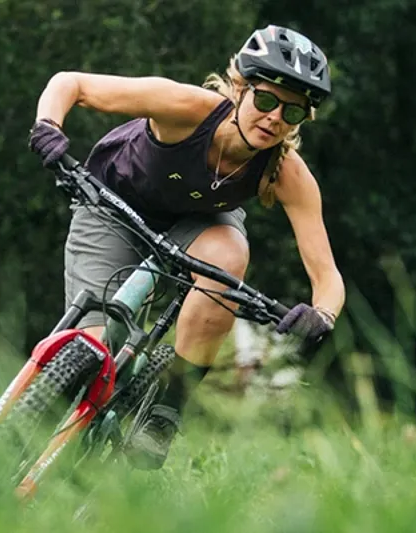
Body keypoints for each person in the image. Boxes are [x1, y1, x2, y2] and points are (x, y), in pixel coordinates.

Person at [28, 25, 345, 469]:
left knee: (231, 254)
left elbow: (327, 276)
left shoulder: (285, 172)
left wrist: (321, 315)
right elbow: (71, 84)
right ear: (240, 88)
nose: (274, 118)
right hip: (113, 207)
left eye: (291, 113)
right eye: (267, 100)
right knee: (92, 347)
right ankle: (19, 440)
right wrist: (48, 126)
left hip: (197, 226)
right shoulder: (185, 108)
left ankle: (165, 411)